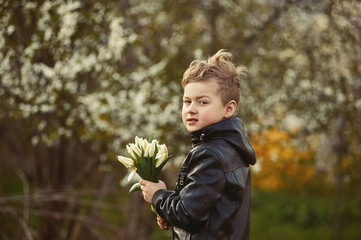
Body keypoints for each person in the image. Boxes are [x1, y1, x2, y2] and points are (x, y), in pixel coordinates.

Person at [140, 49, 257, 240]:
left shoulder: (210, 154)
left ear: (228, 109)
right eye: (187, 101)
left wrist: (158, 195)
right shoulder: (231, 148)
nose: (191, 109)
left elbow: (188, 215)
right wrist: (170, 212)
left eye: (202, 102)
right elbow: (205, 208)